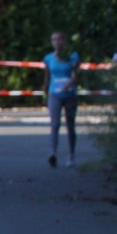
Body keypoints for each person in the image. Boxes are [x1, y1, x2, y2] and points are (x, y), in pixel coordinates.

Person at [44, 31, 81, 168]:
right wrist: (44, 95)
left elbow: (77, 76)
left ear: (64, 41)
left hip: (70, 95)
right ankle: (52, 153)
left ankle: (71, 155)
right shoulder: (48, 58)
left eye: (59, 39)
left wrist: (68, 84)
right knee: (55, 124)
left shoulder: (73, 56)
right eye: (54, 39)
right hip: (54, 95)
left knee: (70, 125)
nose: (57, 42)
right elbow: (47, 77)